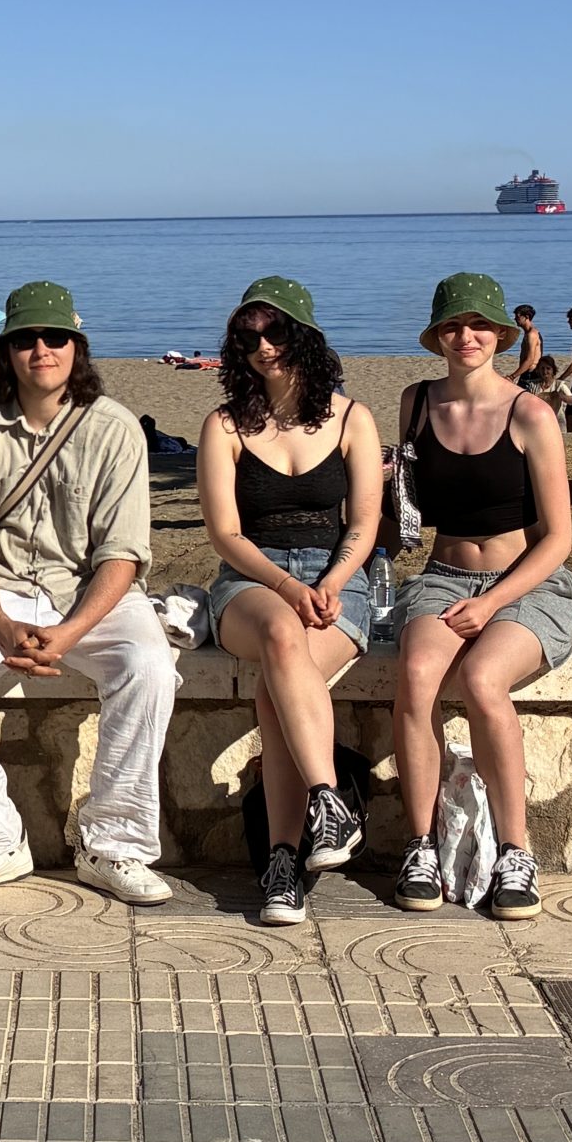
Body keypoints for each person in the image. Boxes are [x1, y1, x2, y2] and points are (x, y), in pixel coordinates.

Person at [0, 280, 178, 905]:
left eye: (55, 338)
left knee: (150, 670)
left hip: (91, 592)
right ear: (6, 352)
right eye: (26, 339)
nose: (41, 350)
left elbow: (123, 553)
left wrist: (69, 633)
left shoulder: (116, 428)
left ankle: (115, 845)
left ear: (77, 348)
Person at [390, 273, 572, 922]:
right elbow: (408, 512)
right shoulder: (416, 403)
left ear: (501, 335)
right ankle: (420, 846)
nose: (466, 336)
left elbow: (558, 538)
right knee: (417, 673)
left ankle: (515, 851)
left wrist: (492, 601)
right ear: (437, 336)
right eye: (453, 325)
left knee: (481, 680)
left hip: (529, 582)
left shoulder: (531, 413)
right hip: (444, 577)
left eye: (479, 325)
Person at [198, 278, 383, 927]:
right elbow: (225, 534)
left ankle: (282, 864)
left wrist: (331, 582)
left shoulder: (352, 417)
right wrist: (286, 587)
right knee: (281, 636)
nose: (263, 347)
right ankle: (329, 801)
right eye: (248, 337)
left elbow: (364, 519)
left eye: (275, 332)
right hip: (251, 582)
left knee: (276, 690)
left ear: (303, 335)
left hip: (338, 581)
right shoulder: (224, 425)